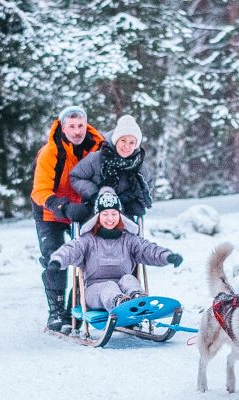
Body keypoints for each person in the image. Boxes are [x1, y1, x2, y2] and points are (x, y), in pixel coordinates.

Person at [31, 106, 104, 331]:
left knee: (94, 254)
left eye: (80, 125)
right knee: (55, 257)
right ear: (63, 128)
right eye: (71, 126)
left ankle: (77, 305)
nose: (76, 131)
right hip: (50, 211)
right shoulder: (50, 151)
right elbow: (40, 190)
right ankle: (56, 311)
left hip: (83, 210)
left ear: (86, 125)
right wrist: (62, 205)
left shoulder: (97, 148)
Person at [48, 187, 183, 311]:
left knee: (129, 279)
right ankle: (120, 304)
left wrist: (168, 256)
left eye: (114, 214)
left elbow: (148, 250)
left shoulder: (128, 239)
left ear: (120, 215)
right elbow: (71, 250)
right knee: (109, 286)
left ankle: (138, 300)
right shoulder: (88, 240)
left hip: (124, 288)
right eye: (105, 214)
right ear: (98, 216)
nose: (110, 218)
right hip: (95, 290)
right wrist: (57, 262)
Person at [70, 115, 152, 218]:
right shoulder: (96, 158)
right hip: (96, 208)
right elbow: (75, 176)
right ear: (116, 140)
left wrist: (130, 198)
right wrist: (95, 194)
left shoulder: (139, 165)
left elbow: (148, 184)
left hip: (124, 211)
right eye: (123, 140)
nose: (127, 146)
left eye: (132, 142)